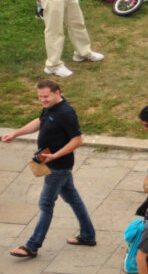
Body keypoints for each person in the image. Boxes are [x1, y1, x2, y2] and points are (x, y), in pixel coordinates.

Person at [5, 79, 95, 257]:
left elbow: (77, 140)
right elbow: (40, 121)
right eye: (40, 97)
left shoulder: (66, 113)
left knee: (46, 204)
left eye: (46, 96)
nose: (43, 100)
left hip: (57, 166)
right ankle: (88, 235)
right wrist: (16, 133)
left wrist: (55, 155)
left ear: (57, 92)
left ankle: (32, 246)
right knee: (73, 199)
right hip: (53, 163)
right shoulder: (51, 108)